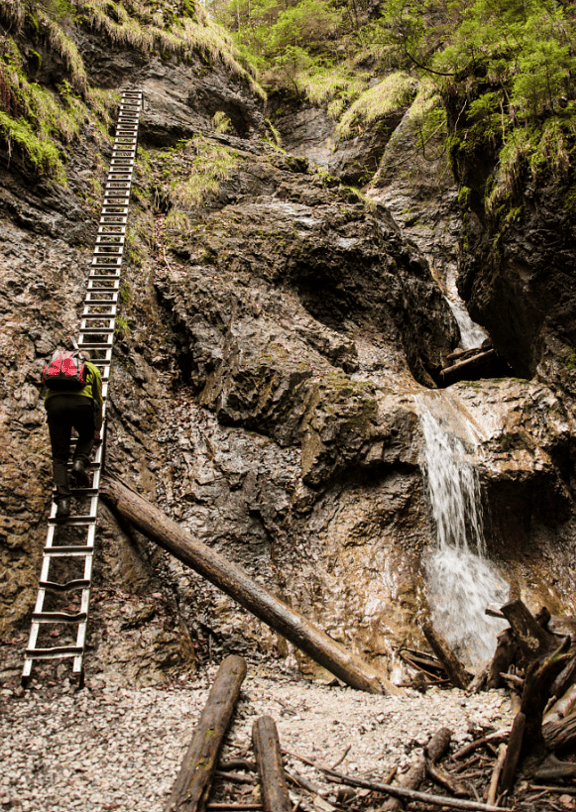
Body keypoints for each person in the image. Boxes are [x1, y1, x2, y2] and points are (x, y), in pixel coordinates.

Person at [44, 350, 103, 519]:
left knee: (59, 457)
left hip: (55, 405)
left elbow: (47, 393)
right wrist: (96, 428)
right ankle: (79, 461)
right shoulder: (91, 368)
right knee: (86, 434)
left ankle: (63, 502)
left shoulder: (56, 368)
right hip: (82, 405)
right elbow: (98, 399)